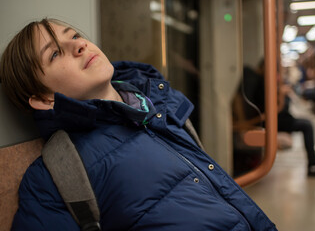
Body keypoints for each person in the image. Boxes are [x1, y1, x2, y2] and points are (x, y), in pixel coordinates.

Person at [0, 18, 277, 231]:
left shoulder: (162, 102)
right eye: (55, 54)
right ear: (43, 99)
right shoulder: (55, 174)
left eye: (74, 35)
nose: (79, 44)